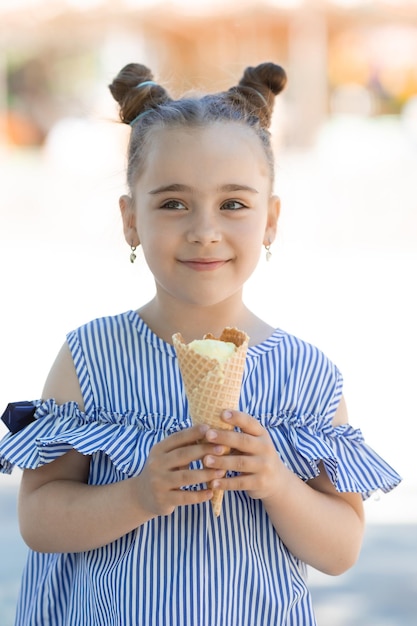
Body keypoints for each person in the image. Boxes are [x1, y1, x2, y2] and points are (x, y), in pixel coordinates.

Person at [0, 62, 401, 626]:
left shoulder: (306, 375)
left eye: (233, 204)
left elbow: (340, 549)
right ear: (130, 219)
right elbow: (40, 521)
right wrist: (138, 495)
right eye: (172, 203)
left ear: (271, 220)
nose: (204, 229)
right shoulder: (92, 356)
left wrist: (278, 484)